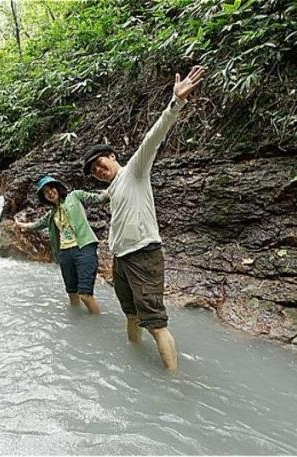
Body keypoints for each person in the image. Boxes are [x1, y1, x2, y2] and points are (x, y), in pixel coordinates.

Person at [82, 66, 205, 371]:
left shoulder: (134, 172)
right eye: (93, 170)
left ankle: (173, 383)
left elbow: (154, 137)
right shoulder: (112, 190)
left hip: (144, 253)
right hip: (122, 258)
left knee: (155, 322)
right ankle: (134, 362)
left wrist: (175, 103)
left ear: (112, 156)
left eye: (100, 163)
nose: (99, 170)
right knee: (131, 314)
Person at [15, 176, 109, 315]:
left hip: (84, 247)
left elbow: (97, 199)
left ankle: (97, 325)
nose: (50, 193)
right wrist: (20, 224)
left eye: (51, 188)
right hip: (65, 253)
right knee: (72, 293)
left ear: (58, 188)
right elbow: (36, 225)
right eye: (46, 192)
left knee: (85, 294)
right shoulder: (51, 214)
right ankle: (77, 326)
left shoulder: (75, 196)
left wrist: (108, 192)